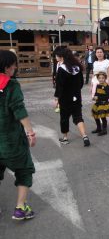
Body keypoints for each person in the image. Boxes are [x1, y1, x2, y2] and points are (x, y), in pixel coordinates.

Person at [0, 50, 36, 220]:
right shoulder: (11, 85)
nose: (15, 67)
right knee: (24, 170)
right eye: (13, 64)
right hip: (11, 141)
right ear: (7, 67)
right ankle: (20, 208)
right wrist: (30, 132)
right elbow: (19, 110)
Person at [54, 47, 90, 147]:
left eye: (56, 55)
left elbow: (59, 87)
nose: (56, 57)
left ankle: (65, 138)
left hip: (65, 98)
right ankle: (85, 136)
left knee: (64, 118)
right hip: (76, 96)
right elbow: (81, 84)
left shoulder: (62, 69)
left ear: (61, 56)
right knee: (78, 117)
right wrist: (75, 92)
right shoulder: (77, 67)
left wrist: (56, 99)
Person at [92, 47, 109, 131]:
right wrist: (91, 86)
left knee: (107, 104)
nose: (99, 53)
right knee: (98, 105)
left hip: (105, 86)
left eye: (101, 52)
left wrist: (107, 85)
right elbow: (93, 75)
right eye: (97, 52)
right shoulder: (95, 63)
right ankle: (102, 124)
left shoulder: (108, 62)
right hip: (95, 86)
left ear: (104, 53)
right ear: (95, 54)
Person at [91, 72, 109, 136]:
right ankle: (99, 128)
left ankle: (104, 129)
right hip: (98, 103)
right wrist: (94, 97)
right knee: (95, 116)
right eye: (99, 78)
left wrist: (98, 97)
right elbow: (96, 93)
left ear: (105, 78)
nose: (101, 79)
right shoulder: (98, 85)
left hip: (103, 104)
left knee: (103, 117)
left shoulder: (106, 86)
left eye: (103, 78)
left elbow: (107, 97)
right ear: (97, 79)